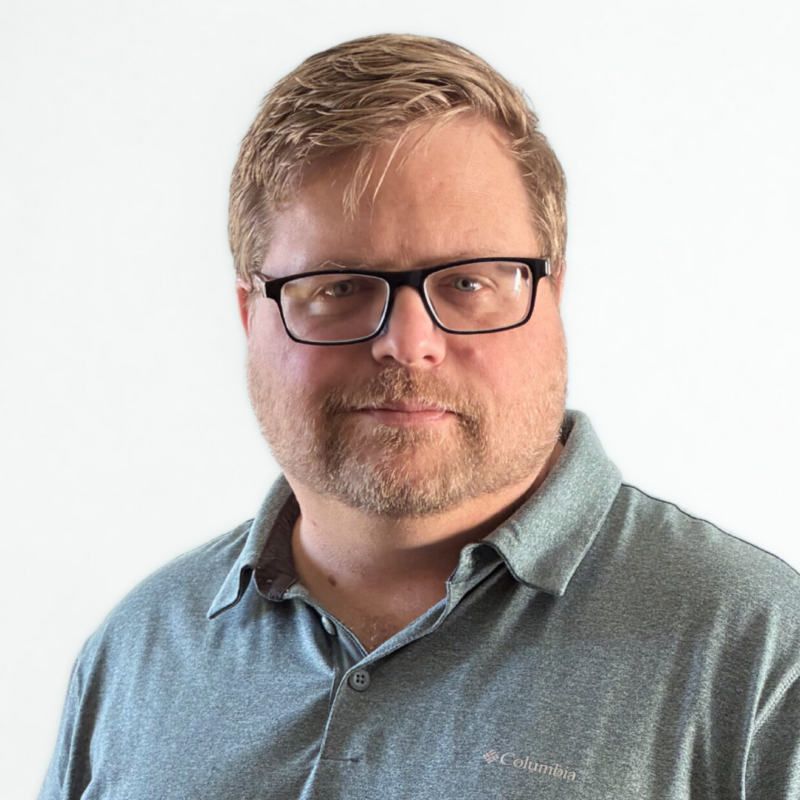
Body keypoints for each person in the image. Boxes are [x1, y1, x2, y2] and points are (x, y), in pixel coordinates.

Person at [39, 34, 800, 800]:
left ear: (553, 296)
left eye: (467, 283)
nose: (408, 344)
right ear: (249, 315)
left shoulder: (764, 659)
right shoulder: (135, 655)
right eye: (339, 287)